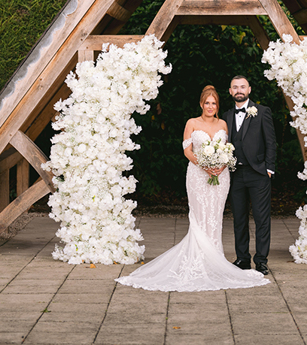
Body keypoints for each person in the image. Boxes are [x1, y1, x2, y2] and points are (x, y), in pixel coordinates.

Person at [115, 85, 269, 292]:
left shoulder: (224, 123)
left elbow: (230, 149)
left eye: (214, 103)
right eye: (207, 103)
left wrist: (221, 165)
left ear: (217, 105)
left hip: (221, 176)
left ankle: (214, 258)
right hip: (198, 175)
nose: (210, 106)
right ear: (201, 104)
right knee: (199, 216)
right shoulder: (192, 123)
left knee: (215, 217)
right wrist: (205, 165)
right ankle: (198, 260)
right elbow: (187, 150)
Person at [223, 75, 276, 275]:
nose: (239, 90)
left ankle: (261, 260)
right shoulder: (226, 116)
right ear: (230, 91)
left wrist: (269, 168)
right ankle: (242, 259)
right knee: (239, 218)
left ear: (249, 89)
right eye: (235, 87)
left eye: (242, 87)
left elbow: (270, 141)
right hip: (235, 174)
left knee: (262, 219)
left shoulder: (262, 112)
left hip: (259, 174)